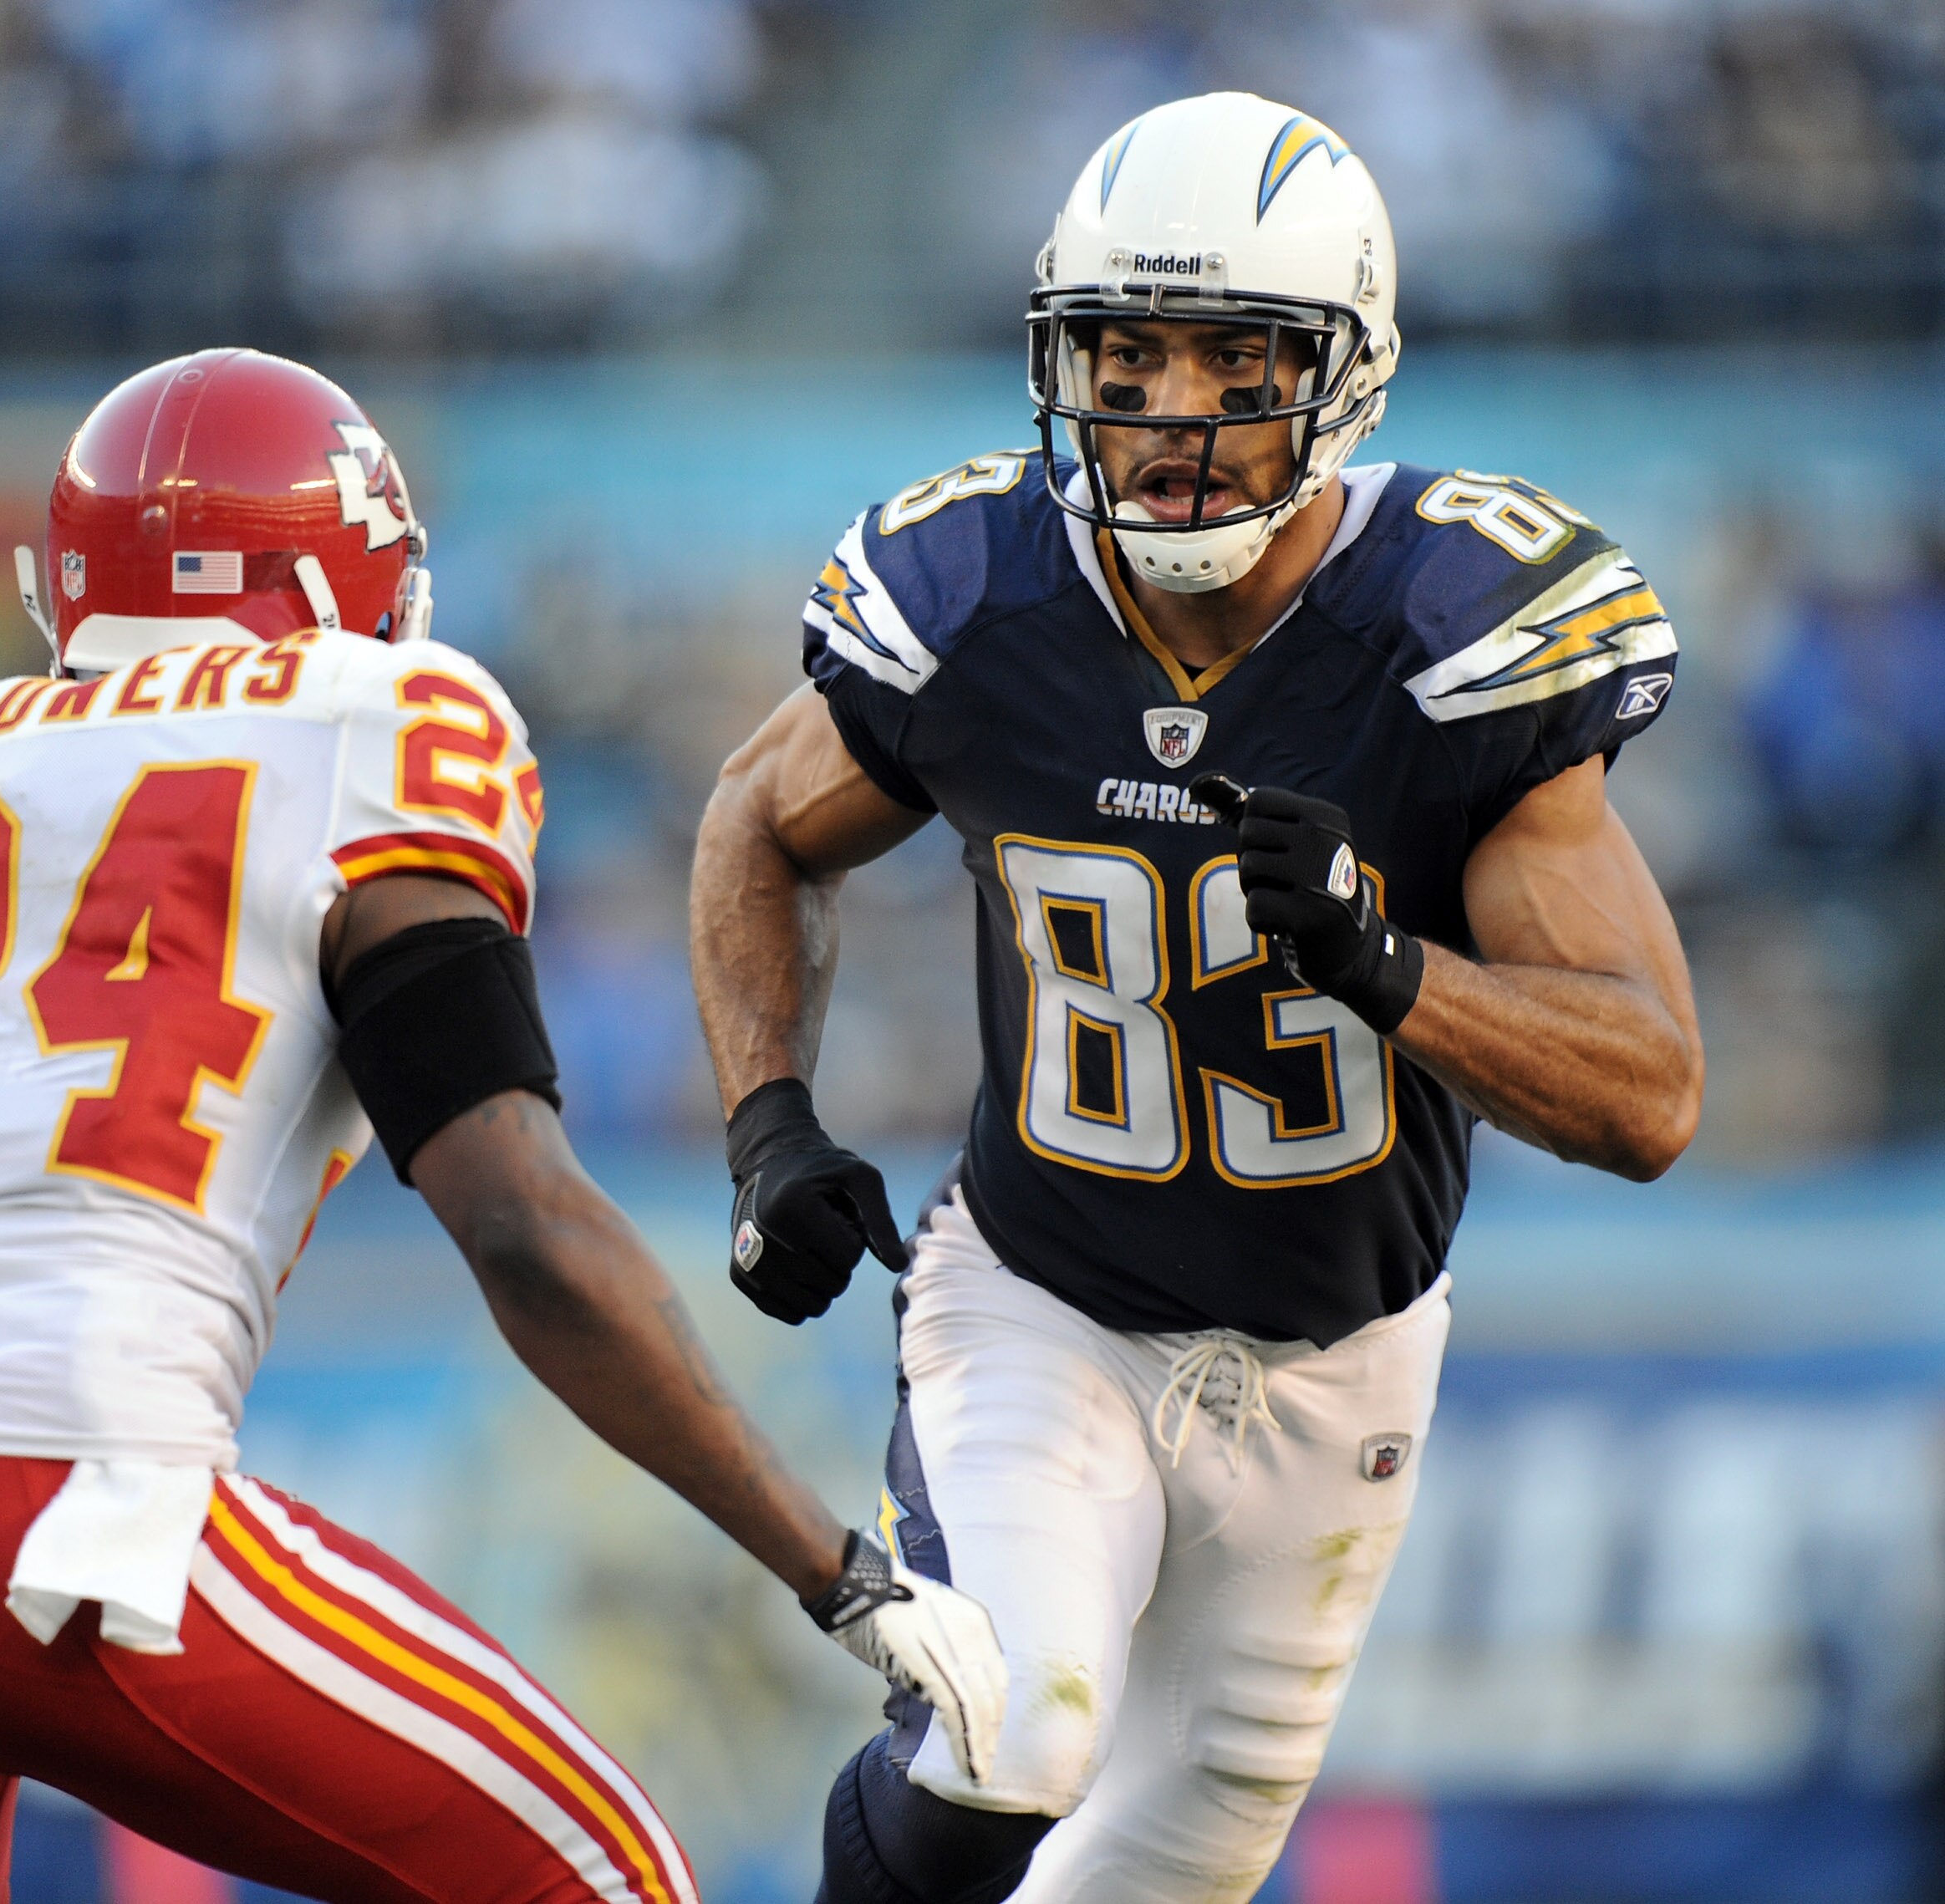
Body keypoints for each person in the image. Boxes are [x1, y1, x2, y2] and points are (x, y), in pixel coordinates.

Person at [0, 349, 1006, 1904]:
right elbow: (523, 1227)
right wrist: (829, 1564)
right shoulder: (363, 726)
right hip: (60, 1499)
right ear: (344, 580)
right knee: (603, 1867)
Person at [690, 93, 1703, 1904]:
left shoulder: (1448, 633)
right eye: (1128, 357)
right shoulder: (978, 595)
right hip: (1042, 1301)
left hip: (1342, 1357)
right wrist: (770, 1121)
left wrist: (1386, 964)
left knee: (1161, 1871)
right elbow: (756, 823)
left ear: (1345, 371)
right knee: (1009, 1731)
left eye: (1238, 361)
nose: (1172, 416)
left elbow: (1649, 1093)